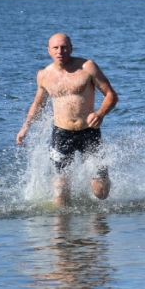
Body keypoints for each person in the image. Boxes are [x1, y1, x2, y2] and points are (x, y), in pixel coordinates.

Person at [16, 33, 118, 206]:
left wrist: (100, 113)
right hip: (61, 133)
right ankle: (61, 230)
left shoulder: (87, 67)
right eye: (55, 48)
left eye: (64, 47)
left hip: (89, 132)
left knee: (101, 192)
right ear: (48, 50)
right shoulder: (44, 75)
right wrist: (25, 128)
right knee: (60, 187)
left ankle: (96, 185)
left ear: (71, 48)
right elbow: (38, 105)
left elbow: (111, 95)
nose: (60, 51)